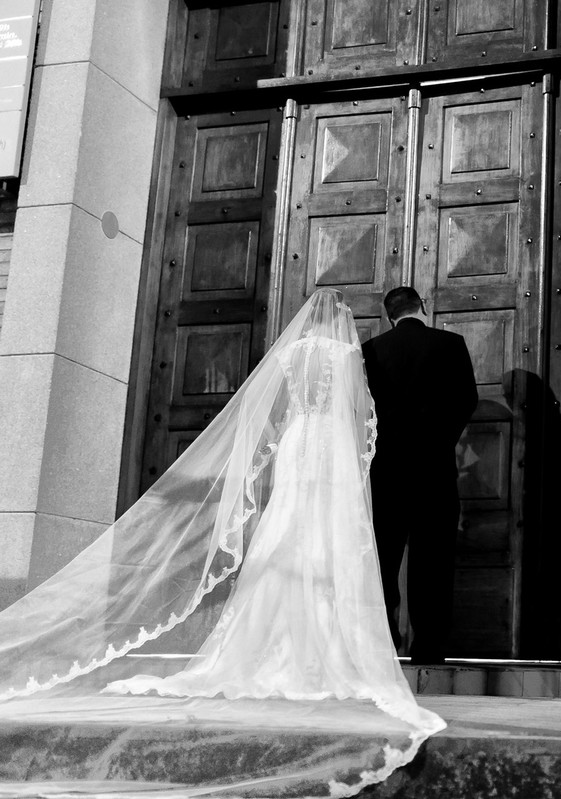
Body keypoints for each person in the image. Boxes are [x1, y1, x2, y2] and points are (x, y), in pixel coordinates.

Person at [0, 288, 443, 798]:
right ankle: (332, 641)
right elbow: (360, 417)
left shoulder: (293, 352)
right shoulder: (348, 354)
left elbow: (276, 413)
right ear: (342, 319)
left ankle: (261, 640)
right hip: (333, 450)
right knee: (332, 536)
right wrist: (359, 457)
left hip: (298, 444)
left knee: (287, 527)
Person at [362, 287, 478, 665]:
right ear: (423, 307)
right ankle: (428, 647)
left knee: (383, 557)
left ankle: (383, 642)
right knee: (434, 558)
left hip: (386, 471)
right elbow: (467, 399)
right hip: (434, 469)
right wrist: (442, 440)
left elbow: (362, 408)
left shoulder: (371, 350)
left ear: (389, 315)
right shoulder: (450, 343)